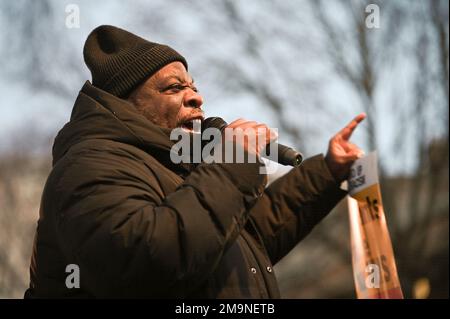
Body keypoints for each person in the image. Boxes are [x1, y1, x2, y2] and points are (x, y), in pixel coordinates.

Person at [25, 25, 365, 298]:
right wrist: (235, 163)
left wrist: (327, 171)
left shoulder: (179, 170)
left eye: (194, 85)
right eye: (175, 88)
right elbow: (143, 261)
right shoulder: (89, 165)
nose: (197, 96)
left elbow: (243, 235)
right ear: (128, 103)